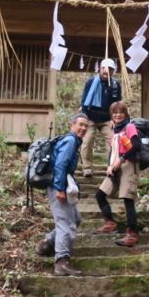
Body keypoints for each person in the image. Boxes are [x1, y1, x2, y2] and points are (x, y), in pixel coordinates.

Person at [36, 113, 90, 276]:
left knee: (75, 219)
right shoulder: (71, 140)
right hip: (57, 186)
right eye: (80, 124)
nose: (83, 128)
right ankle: (61, 262)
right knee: (66, 225)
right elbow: (60, 165)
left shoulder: (73, 141)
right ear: (72, 125)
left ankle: (46, 243)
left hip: (61, 185)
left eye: (86, 126)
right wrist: (59, 188)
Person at [95, 101, 141, 247]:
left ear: (125, 114)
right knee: (100, 194)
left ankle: (132, 234)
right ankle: (110, 222)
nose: (118, 115)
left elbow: (136, 146)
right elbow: (113, 150)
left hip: (128, 164)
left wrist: (121, 160)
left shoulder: (129, 126)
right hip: (115, 166)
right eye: (115, 113)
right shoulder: (115, 130)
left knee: (127, 199)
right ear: (111, 115)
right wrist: (110, 166)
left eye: (121, 112)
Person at [79, 57, 122, 177]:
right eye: (104, 68)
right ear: (99, 69)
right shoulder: (91, 82)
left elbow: (117, 103)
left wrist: (115, 119)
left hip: (108, 118)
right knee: (87, 142)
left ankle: (112, 166)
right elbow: (84, 101)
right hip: (91, 116)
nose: (106, 71)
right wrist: (84, 117)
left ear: (113, 71)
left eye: (110, 69)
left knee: (113, 143)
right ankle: (87, 167)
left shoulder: (115, 84)